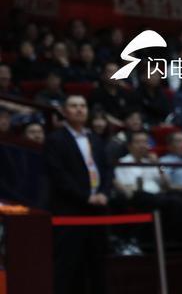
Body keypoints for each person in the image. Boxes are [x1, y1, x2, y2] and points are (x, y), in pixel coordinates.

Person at [44, 95, 111, 294]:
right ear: (65, 112)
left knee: (98, 264)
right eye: (74, 106)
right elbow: (58, 174)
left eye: (83, 106)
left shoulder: (94, 138)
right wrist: (84, 196)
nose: (79, 109)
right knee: (68, 264)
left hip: (97, 209)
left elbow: (107, 169)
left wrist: (104, 193)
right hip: (70, 210)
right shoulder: (55, 139)